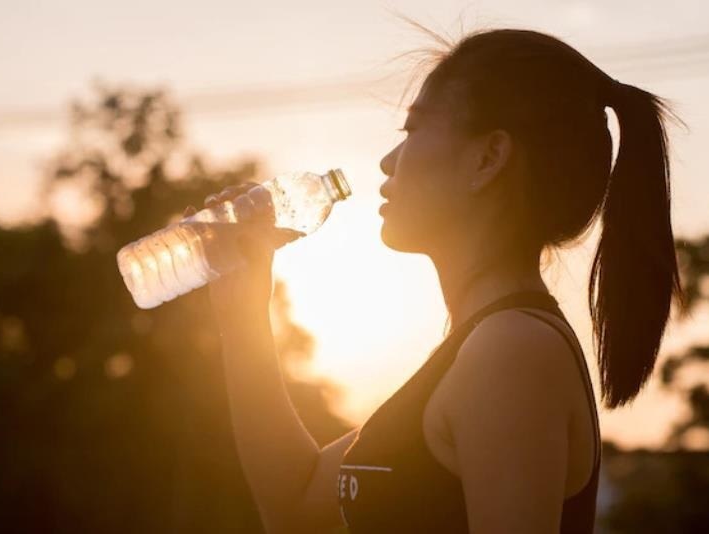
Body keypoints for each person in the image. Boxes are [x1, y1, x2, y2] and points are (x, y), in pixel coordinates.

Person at [201, 27, 683, 534]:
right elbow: (296, 507)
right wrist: (242, 310)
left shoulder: (512, 352)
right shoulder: (480, 348)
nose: (388, 161)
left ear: (487, 158)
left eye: (411, 131)